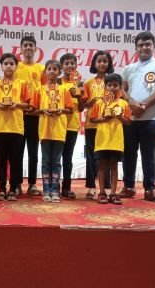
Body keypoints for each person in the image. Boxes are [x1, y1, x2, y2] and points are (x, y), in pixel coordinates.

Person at [118, 31, 155, 202]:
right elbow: (122, 90)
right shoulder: (128, 68)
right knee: (128, 153)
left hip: (152, 118)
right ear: (136, 48)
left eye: (147, 44)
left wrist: (143, 105)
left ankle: (150, 189)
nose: (144, 47)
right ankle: (128, 187)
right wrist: (133, 104)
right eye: (141, 45)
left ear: (153, 46)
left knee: (149, 154)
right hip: (130, 118)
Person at [0, 53, 31, 201]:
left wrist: (17, 104)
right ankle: (2, 189)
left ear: (16, 66)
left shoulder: (22, 83)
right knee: (1, 160)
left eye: (11, 64)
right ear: (1, 66)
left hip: (16, 127)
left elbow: (28, 104)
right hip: (0, 127)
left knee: (15, 160)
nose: (8, 66)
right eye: (5, 63)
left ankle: (13, 188)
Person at [34, 60, 73, 202]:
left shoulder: (64, 90)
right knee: (45, 161)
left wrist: (61, 110)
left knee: (56, 162)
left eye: (54, 69)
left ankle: (55, 190)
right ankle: (46, 190)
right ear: (45, 72)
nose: (51, 71)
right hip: (44, 130)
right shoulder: (40, 89)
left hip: (59, 130)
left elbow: (70, 109)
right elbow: (34, 109)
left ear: (59, 72)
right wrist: (43, 110)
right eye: (49, 69)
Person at [90, 73, 131, 205]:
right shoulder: (99, 102)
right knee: (101, 166)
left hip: (116, 140)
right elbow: (93, 119)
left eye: (115, 85)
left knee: (114, 166)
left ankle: (113, 193)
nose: (112, 88)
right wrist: (102, 119)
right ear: (105, 87)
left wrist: (120, 117)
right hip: (102, 139)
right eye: (109, 85)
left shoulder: (123, 103)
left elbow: (128, 122)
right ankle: (101, 192)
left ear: (120, 87)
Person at [15, 35, 46, 196]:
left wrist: (38, 108)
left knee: (33, 152)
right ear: (21, 49)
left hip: (35, 116)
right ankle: (17, 183)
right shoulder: (16, 67)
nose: (28, 48)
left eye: (31, 45)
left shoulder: (41, 69)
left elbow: (47, 92)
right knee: (18, 152)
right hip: (18, 115)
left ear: (35, 49)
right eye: (25, 45)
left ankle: (33, 184)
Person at [83, 50, 114, 200]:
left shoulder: (113, 82)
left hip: (107, 125)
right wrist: (91, 102)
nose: (102, 64)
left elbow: (118, 103)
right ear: (94, 63)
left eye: (105, 61)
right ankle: (90, 186)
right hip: (91, 124)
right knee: (90, 156)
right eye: (99, 61)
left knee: (106, 157)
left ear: (109, 64)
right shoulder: (88, 83)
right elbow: (83, 104)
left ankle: (107, 187)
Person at [59, 53, 87, 199]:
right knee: (56, 158)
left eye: (72, 63)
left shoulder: (80, 84)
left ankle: (66, 187)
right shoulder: (57, 82)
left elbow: (82, 108)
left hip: (72, 126)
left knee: (67, 158)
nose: (70, 66)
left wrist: (79, 97)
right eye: (67, 63)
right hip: (57, 125)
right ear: (61, 66)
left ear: (76, 66)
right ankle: (53, 186)